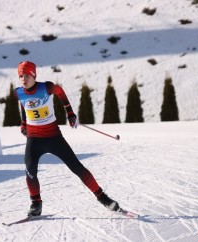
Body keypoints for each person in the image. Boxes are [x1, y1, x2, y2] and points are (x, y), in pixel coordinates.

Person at [14, 61, 120, 217]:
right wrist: (24, 123)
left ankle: (102, 197)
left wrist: (70, 112)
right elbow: (24, 105)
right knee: (30, 172)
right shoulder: (18, 92)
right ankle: (36, 203)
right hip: (34, 139)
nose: (24, 79)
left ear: (34, 75)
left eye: (27, 75)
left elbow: (60, 92)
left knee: (77, 167)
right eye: (21, 76)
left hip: (53, 137)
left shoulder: (47, 87)